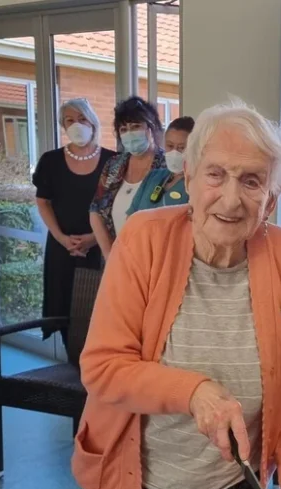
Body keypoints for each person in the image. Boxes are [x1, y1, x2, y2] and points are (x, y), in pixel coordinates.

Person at [72, 100, 281, 489]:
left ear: (273, 196)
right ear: (188, 177)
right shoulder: (145, 239)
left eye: (251, 181)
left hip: (229, 484)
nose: (230, 199)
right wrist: (196, 392)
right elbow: (103, 367)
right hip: (131, 482)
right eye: (216, 175)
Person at [33, 98, 115, 353]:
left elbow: (118, 206)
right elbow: (43, 202)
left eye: (82, 119)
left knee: (100, 311)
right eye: (70, 120)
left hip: (101, 248)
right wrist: (61, 238)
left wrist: (93, 238)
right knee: (66, 309)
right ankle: (73, 371)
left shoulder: (114, 161)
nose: (76, 125)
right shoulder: (51, 161)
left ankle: (99, 374)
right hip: (62, 249)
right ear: (63, 125)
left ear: (92, 122)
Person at [89, 96, 165, 258]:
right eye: (124, 129)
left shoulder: (167, 167)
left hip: (156, 258)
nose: (129, 133)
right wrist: (109, 255)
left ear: (151, 127)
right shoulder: (114, 165)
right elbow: (96, 210)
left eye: (136, 126)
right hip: (117, 258)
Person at [127, 116, 195, 215]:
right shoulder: (153, 177)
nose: (174, 152)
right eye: (170, 146)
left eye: (181, 147)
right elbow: (131, 216)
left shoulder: (196, 185)